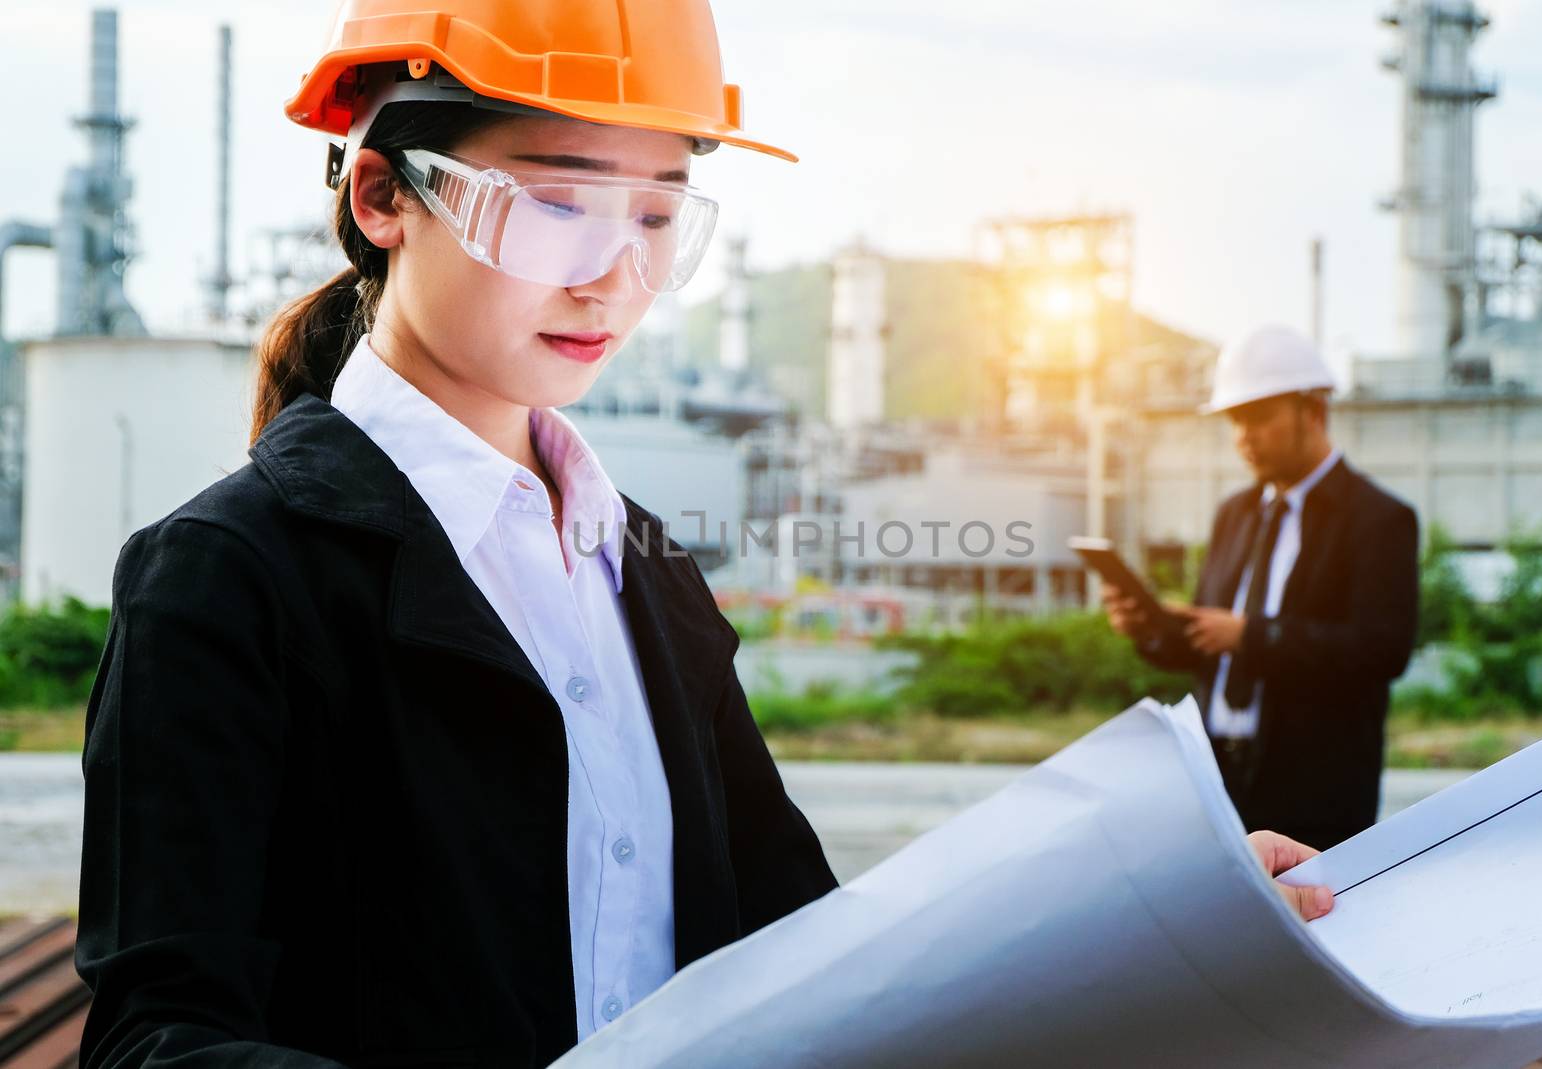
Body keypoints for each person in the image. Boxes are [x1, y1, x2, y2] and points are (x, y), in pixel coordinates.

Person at [73, 6, 1334, 1065]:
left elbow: (802, 948)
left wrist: (1143, 919)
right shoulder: (232, 579)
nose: (611, 277)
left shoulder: (644, 566)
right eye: (557, 204)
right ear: (382, 195)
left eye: (658, 217)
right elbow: (158, 1039)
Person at [1105, 325, 1420, 851]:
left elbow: (1382, 649)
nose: (1243, 437)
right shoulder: (1236, 514)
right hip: (1219, 780)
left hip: (1316, 793)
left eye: (1258, 418)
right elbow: (1211, 647)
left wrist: (1253, 637)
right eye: (1235, 421)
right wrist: (1154, 630)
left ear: (1313, 412)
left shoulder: (1379, 519)